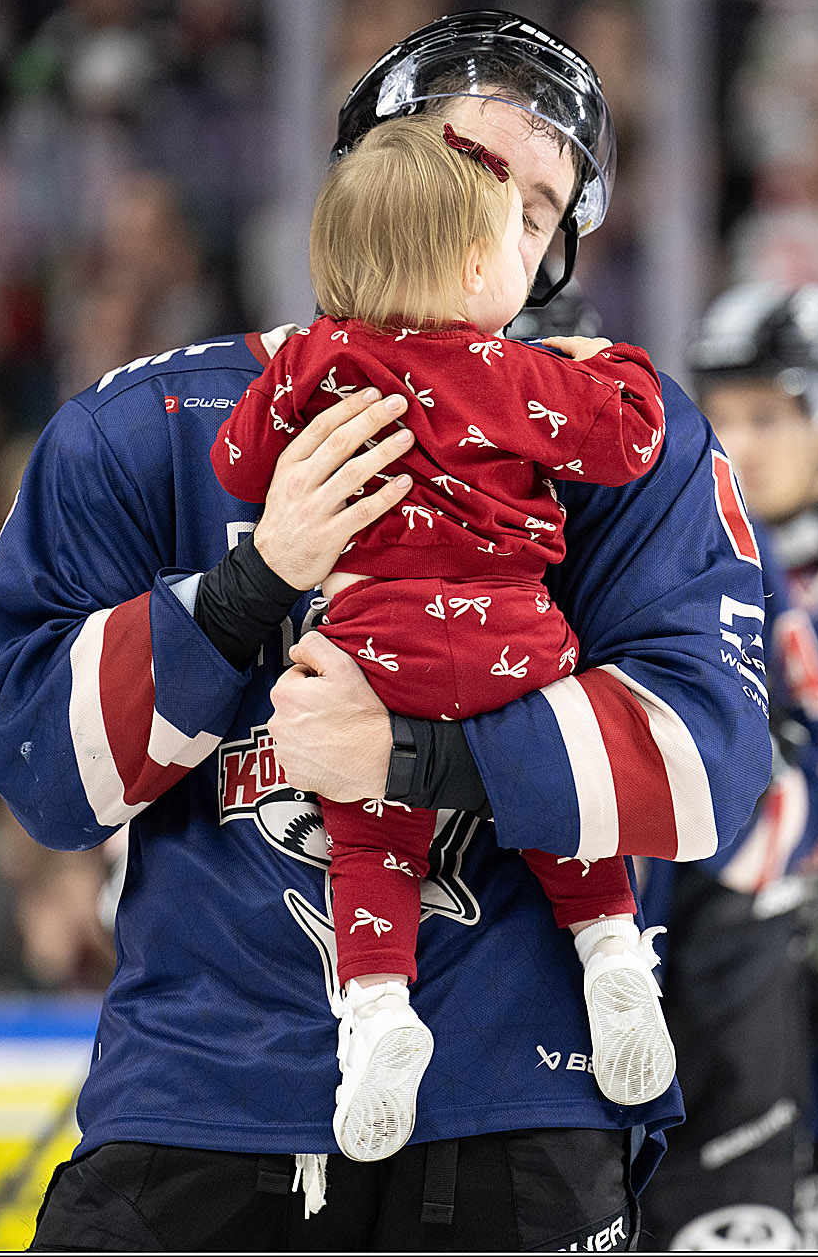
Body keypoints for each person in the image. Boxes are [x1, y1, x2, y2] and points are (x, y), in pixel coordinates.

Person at [0, 11, 772, 1253]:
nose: (501, 227)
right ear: (366, 184)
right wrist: (249, 586)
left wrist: (413, 759)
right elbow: (38, 769)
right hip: (197, 1103)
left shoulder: (608, 435)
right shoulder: (148, 424)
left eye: (539, 209)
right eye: (471, 171)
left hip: (519, 1101)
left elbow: (709, 763)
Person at [211, 114, 675, 1163]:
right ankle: (611, 951)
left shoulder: (318, 358)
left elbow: (236, 466)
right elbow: (631, 439)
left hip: (376, 645)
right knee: (557, 796)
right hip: (515, 637)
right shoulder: (513, 373)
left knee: (370, 834)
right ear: (476, 264)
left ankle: (378, 1006)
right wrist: (617, 362)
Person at [677, 282, 818, 1253]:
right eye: (723, 417)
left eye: (768, 416)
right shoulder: (696, 584)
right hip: (744, 1023)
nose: (741, 444)